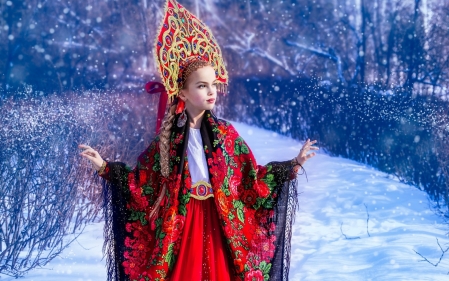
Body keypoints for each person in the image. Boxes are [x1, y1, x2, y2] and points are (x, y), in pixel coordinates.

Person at [79, 1, 318, 280]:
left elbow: (252, 179)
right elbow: (141, 183)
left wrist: (293, 164)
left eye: (213, 84)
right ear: (182, 92)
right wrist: (105, 168)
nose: (211, 91)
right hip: (184, 221)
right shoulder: (168, 139)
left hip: (219, 220)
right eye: (202, 85)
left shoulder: (227, 135)